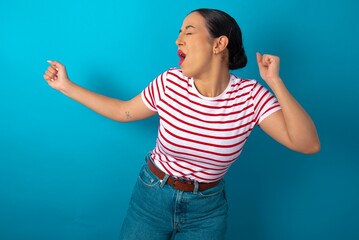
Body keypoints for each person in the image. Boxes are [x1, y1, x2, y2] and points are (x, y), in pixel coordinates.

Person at [43, 8, 320, 240]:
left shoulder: (251, 97)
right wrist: (66, 86)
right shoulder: (169, 82)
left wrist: (274, 82)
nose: (178, 40)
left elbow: (307, 143)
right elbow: (123, 111)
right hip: (151, 196)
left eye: (188, 31)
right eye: (179, 33)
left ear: (218, 44)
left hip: (207, 211)